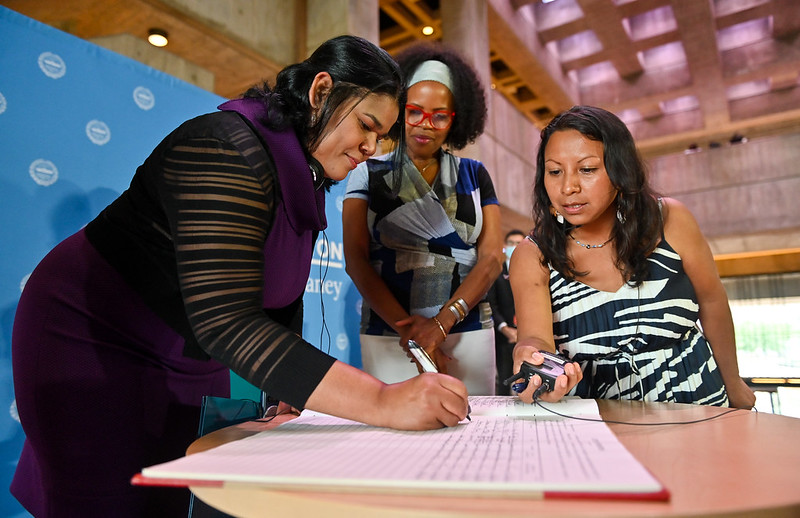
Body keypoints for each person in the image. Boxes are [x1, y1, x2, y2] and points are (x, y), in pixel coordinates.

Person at [10, 35, 470, 518]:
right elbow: (226, 320)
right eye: (366, 125)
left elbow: (276, 302)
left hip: (182, 354)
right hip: (92, 337)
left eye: (382, 137)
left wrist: (287, 394)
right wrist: (380, 400)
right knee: (112, 498)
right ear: (319, 92)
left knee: (178, 497)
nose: (372, 147)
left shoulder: (305, 179)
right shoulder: (224, 146)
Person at [509, 105, 755, 409]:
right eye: (555, 171)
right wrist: (529, 355)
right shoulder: (533, 254)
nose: (568, 187)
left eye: (586, 169)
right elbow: (535, 338)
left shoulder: (670, 219)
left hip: (700, 404)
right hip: (602, 424)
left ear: (619, 169)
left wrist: (733, 383)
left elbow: (712, 302)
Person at [342, 42, 504, 395]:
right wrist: (413, 335)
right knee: (398, 442)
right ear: (399, 110)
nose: (425, 125)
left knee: (476, 437)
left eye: (440, 115)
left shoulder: (475, 174)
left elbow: (491, 258)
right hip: (391, 333)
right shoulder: (367, 173)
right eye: (415, 111)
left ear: (456, 118)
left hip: (468, 329)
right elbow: (356, 260)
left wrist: (442, 324)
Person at [487, 229, 525, 394]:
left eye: (519, 243)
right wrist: (505, 328)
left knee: (526, 380)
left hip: (526, 336)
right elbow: (491, 304)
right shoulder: (497, 271)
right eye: (511, 243)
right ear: (505, 246)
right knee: (504, 380)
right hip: (504, 336)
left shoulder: (531, 270)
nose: (515, 246)